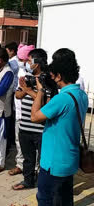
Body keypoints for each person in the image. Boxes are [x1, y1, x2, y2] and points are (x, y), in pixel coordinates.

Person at [30, 48, 88, 205]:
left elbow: (35, 117)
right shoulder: (81, 95)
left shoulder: (62, 99)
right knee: (65, 200)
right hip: (70, 160)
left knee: (45, 199)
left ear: (59, 76)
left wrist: (41, 90)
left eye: (53, 75)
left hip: (53, 163)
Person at [12, 49, 57, 190]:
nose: (27, 63)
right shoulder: (28, 78)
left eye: (30, 60)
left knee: (44, 159)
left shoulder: (48, 82)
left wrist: (29, 91)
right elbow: (18, 95)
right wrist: (26, 89)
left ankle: (44, 183)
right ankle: (28, 181)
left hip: (41, 129)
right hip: (25, 127)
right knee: (28, 158)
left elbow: (47, 107)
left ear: (37, 63)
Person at [8, 44, 35, 176]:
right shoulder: (19, 71)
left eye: (25, 60)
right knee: (19, 140)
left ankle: (34, 167)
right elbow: (17, 92)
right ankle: (20, 164)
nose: (22, 63)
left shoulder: (35, 76)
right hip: (19, 112)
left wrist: (25, 91)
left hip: (31, 114)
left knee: (32, 144)